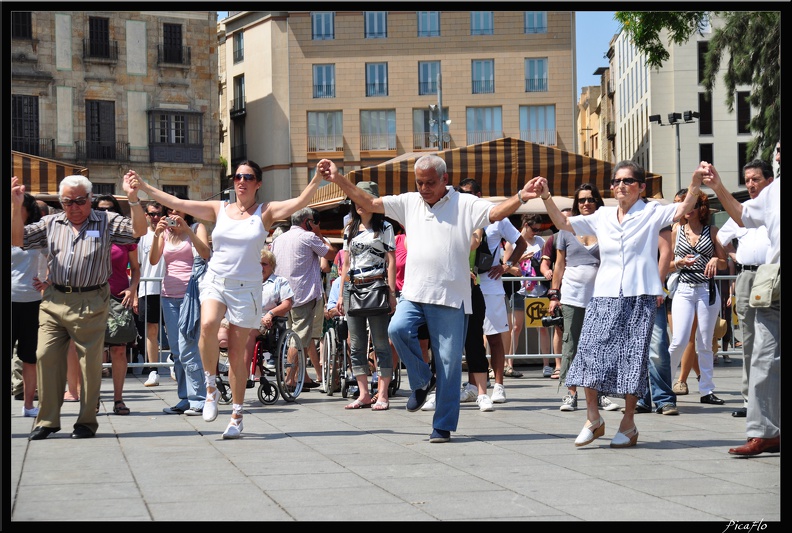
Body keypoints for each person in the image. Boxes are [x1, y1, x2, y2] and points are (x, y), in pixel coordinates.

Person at [319, 154, 535, 443]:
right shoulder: (409, 202)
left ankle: (442, 426)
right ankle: (422, 380)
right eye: (419, 182)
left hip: (451, 297)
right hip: (414, 293)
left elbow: (495, 213)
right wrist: (338, 178)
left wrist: (521, 196)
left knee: (448, 364)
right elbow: (369, 203)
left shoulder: (464, 202)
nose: (424, 188)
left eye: (430, 183)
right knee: (396, 330)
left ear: (444, 179)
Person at [127, 159, 322, 439]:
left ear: (258, 182)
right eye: (237, 176)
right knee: (206, 325)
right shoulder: (219, 209)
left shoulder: (265, 212)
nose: (241, 181)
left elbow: (300, 201)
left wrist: (316, 178)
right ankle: (209, 389)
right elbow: (175, 200)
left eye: (248, 176)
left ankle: (237, 415)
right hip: (216, 280)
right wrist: (144, 187)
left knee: (236, 356)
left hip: (247, 288)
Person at [525, 160, 703, 448]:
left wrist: (695, 182)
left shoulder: (651, 212)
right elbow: (563, 223)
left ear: (641, 187)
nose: (621, 185)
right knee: (589, 354)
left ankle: (629, 423)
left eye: (628, 181)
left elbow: (683, 209)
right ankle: (592, 418)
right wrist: (546, 196)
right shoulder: (602, 216)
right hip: (604, 294)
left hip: (640, 293)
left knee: (633, 360)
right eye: (617, 181)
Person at [11, 174, 146, 440]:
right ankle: (48, 420)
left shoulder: (105, 221)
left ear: (90, 200)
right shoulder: (50, 222)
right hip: (54, 299)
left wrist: (133, 199)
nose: (73, 207)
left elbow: (137, 231)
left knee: (89, 363)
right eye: (67, 202)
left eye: (79, 201)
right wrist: (16, 206)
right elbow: (18, 239)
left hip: (91, 300)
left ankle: (86, 421)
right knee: (45, 356)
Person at [704, 159, 780, 456]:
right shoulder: (773, 193)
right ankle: (764, 433)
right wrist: (717, 186)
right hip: (771, 282)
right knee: (762, 357)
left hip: (766, 278)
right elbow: (741, 215)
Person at [456, 178, 526, 405]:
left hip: (491, 285)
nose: (465, 198)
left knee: (495, 337)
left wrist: (506, 265)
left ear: (478, 194)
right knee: (471, 339)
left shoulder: (496, 218)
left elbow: (521, 243)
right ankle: (473, 386)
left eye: (469, 193)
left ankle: (498, 385)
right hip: (466, 286)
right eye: (462, 194)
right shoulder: (458, 217)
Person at [716, 160, 774, 418]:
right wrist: (733, 256)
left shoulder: (775, 205)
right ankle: (750, 400)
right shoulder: (742, 210)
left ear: (770, 181)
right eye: (747, 179)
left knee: (772, 342)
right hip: (748, 277)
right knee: (749, 340)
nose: (750, 184)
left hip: (772, 275)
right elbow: (720, 237)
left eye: (756, 179)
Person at [336, 181, 397, 411]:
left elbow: (391, 262)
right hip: (353, 287)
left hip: (376, 287)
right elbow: (346, 263)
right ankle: (363, 393)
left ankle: (382, 394)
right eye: (357, 198)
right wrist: (342, 294)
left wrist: (392, 292)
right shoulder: (349, 227)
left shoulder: (385, 228)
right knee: (356, 344)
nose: (359, 203)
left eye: (364, 198)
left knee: (381, 343)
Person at [549, 184, 608, 412]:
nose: (586, 203)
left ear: (597, 202)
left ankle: (600, 393)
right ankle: (570, 394)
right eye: (581, 200)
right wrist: (554, 294)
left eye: (591, 199)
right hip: (573, 294)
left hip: (601, 294)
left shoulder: (605, 227)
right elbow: (559, 264)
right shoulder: (567, 229)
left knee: (599, 346)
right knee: (571, 345)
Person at [667, 189, 728, 405]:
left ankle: (706, 390)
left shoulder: (712, 231)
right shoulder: (676, 232)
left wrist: (714, 261)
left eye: (692, 204)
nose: (688, 209)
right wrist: (679, 263)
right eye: (685, 204)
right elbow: (666, 265)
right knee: (679, 340)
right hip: (683, 288)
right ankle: (664, 385)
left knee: (704, 341)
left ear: (700, 208)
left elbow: (724, 262)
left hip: (706, 289)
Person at [150, 201, 211, 416]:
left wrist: (186, 230)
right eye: (169, 211)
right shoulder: (165, 233)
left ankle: (199, 399)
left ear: (186, 210)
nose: (172, 214)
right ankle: (185, 398)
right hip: (168, 296)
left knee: (188, 348)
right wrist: (157, 234)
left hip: (191, 295)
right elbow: (154, 259)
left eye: (176, 209)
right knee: (176, 351)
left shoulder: (197, 228)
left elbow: (205, 253)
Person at [271, 207, 337, 389]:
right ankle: (290, 379)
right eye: (313, 221)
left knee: (295, 334)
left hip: (283, 297)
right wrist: (319, 233)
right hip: (303, 295)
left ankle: (303, 377)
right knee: (299, 338)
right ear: (307, 222)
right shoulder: (309, 237)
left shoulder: (278, 240)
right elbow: (332, 254)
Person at [95, 194, 141, 416]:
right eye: (102, 209)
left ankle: (118, 399)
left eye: (111, 209)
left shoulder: (126, 237)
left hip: (118, 297)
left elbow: (136, 268)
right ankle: (92, 398)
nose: (107, 213)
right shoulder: (89, 232)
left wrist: (133, 289)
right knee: (93, 351)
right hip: (91, 297)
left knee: (119, 350)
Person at [11, 193, 47, 418]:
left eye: (18, 205)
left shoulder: (36, 234)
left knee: (29, 357)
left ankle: (28, 406)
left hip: (31, 301)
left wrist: (48, 280)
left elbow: (56, 257)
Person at [506, 214, 553, 378]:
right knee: (516, 327)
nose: (536, 233)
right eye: (534, 229)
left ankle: (547, 364)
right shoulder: (514, 242)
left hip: (538, 290)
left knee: (543, 327)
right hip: (520, 290)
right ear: (525, 225)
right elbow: (506, 266)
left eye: (539, 230)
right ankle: (509, 364)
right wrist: (518, 261)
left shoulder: (540, 242)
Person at [245, 249, 295, 383]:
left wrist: (271, 313)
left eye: (264, 264)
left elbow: (288, 303)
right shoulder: (247, 281)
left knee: (248, 331)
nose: (260, 267)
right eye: (257, 264)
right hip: (244, 318)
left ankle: (242, 374)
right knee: (220, 331)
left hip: (267, 323)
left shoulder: (280, 281)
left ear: (272, 265)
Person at [137, 201, 167, 387]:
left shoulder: (171, 233)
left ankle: (174, 363)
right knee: (151, 331)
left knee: (174, 330)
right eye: (151, 214)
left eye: (158, 214)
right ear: (146, 215)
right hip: (148, 288)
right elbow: (137, 266)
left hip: (171, 288)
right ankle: (153, 369)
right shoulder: (141, 237)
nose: (155, 217)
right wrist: (134, 294)